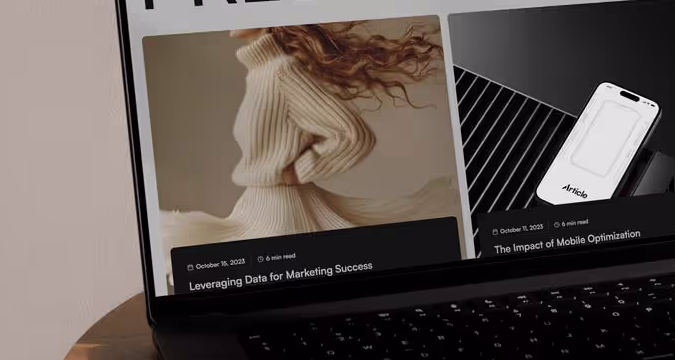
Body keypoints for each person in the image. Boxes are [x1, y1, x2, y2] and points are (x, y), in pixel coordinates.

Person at [162, 21, 456, 247]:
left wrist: (298, 171)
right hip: (256, 207)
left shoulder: (282, 72)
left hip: (282, 215)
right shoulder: (260, 73)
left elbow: (352, 135)